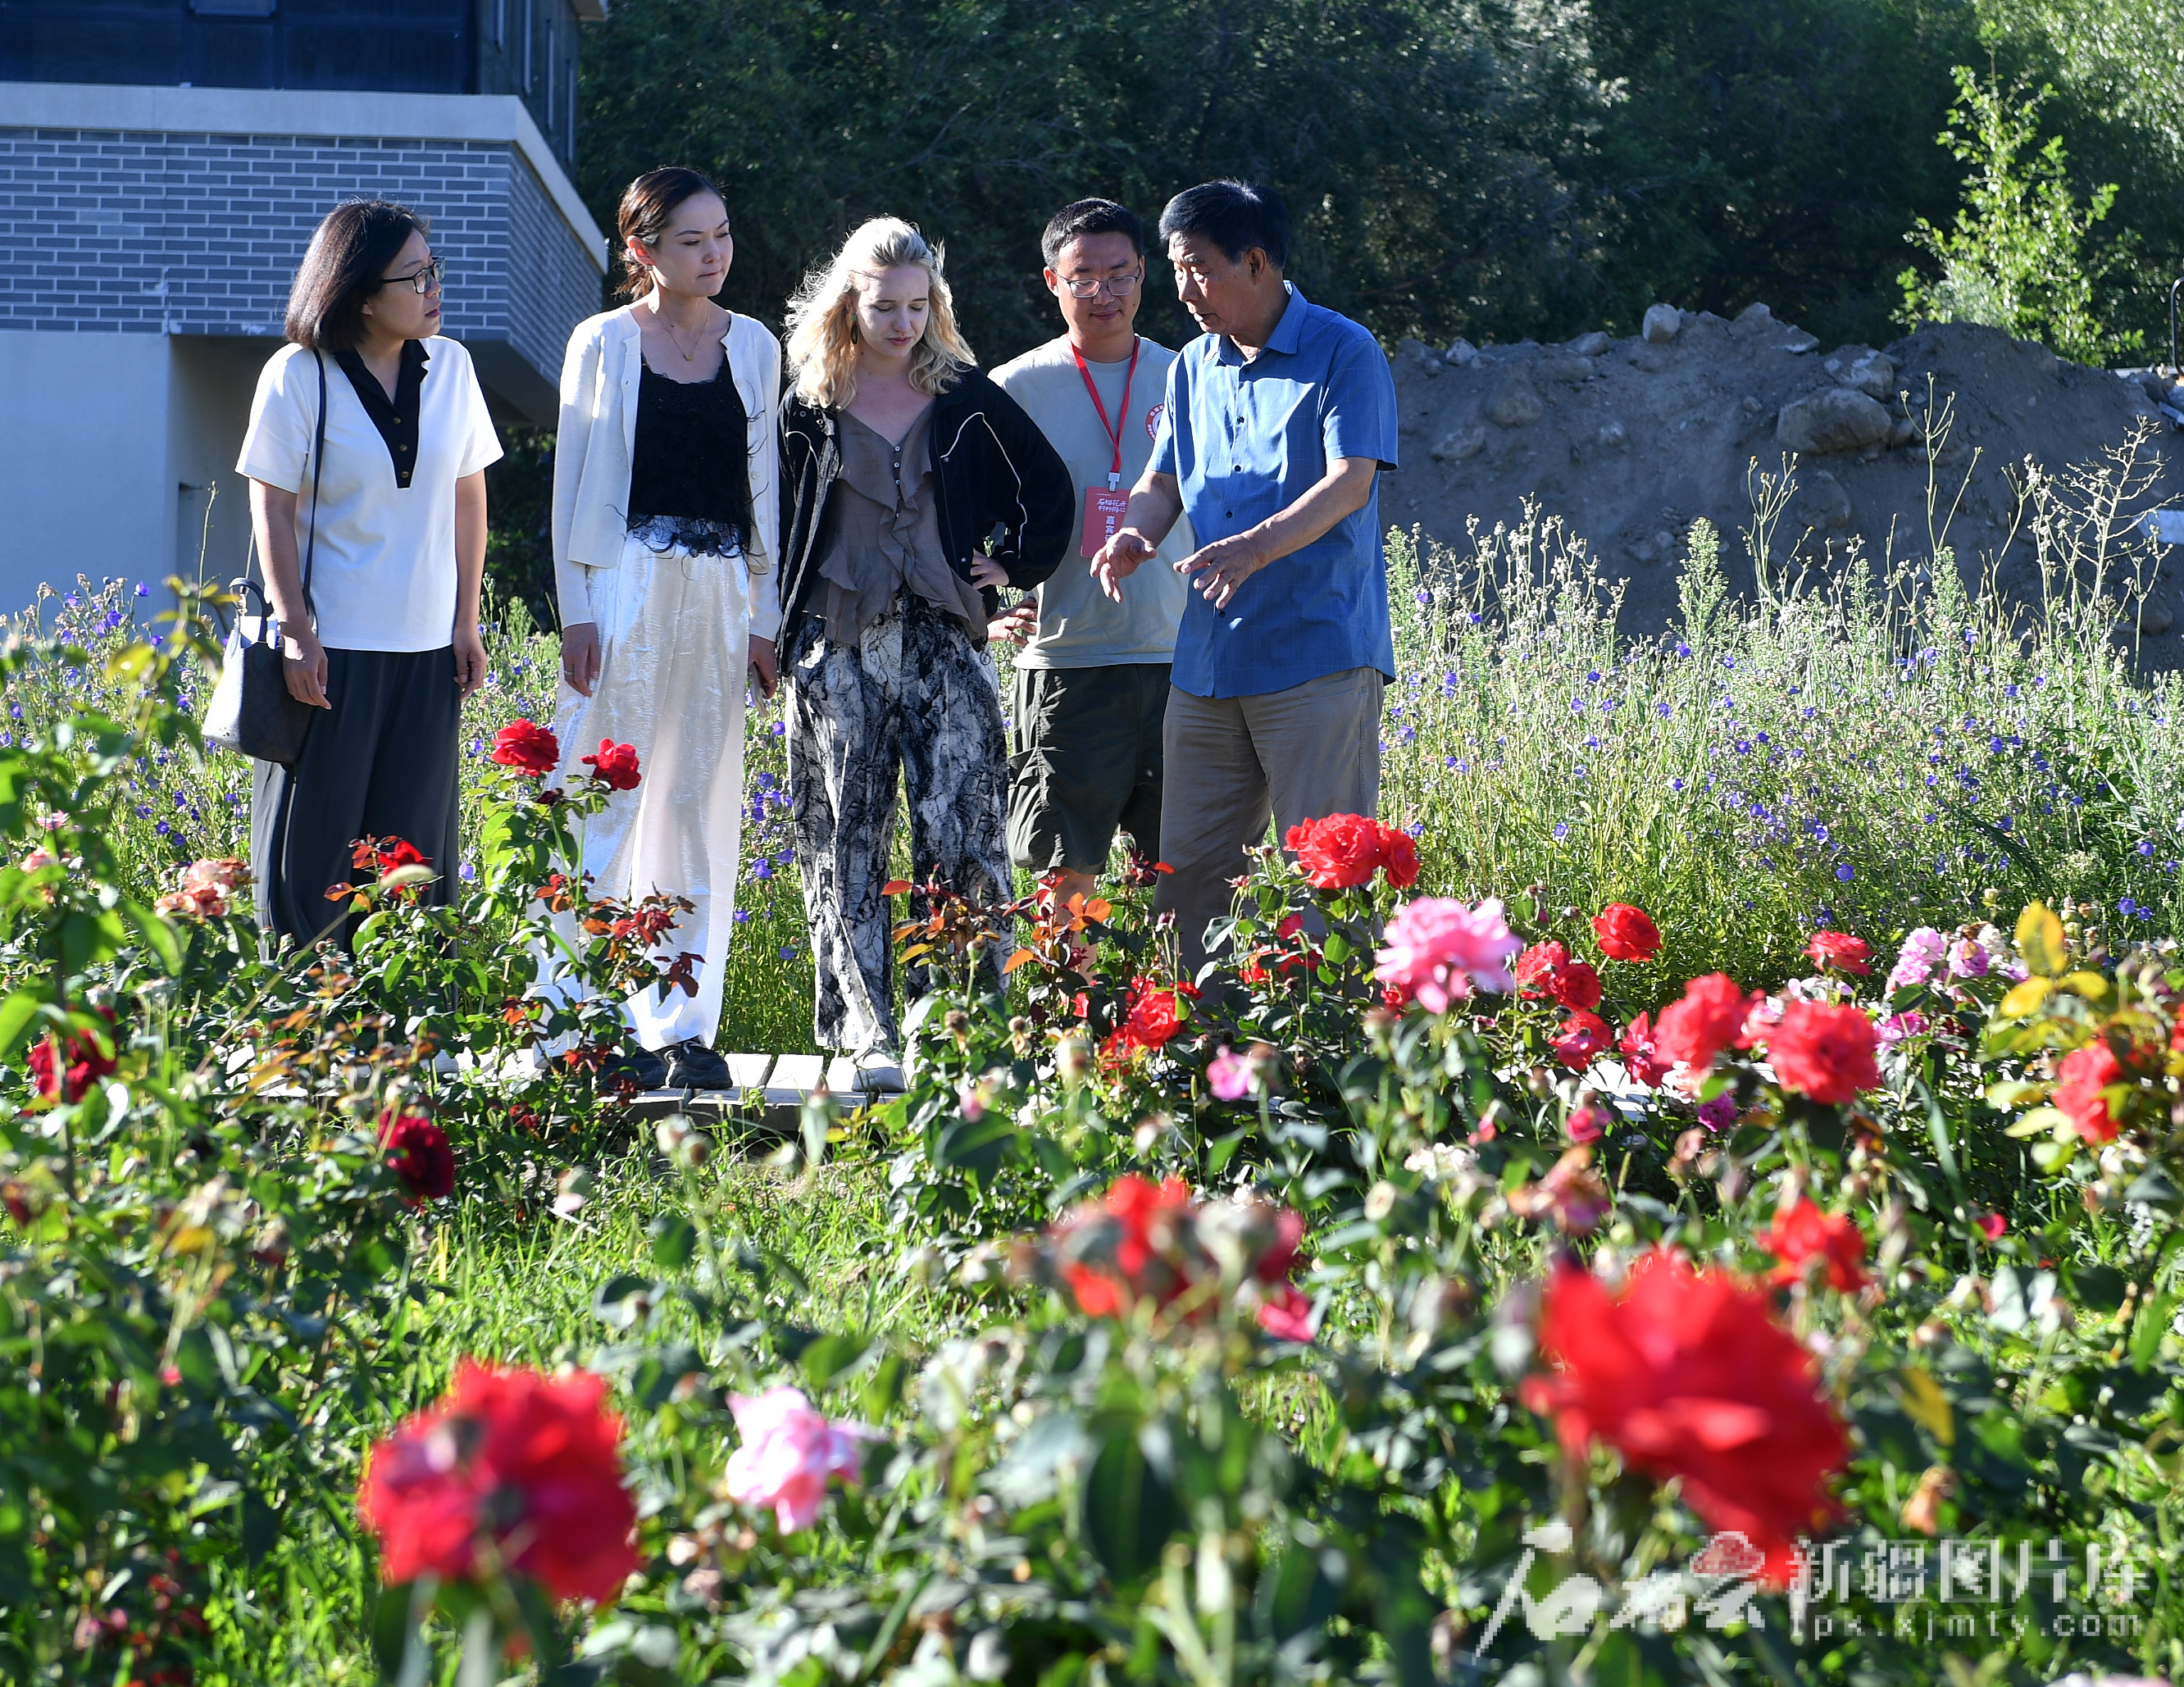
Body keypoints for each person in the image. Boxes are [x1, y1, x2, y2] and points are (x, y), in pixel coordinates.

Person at [777, 218, 1073, 1062]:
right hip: (836, 644)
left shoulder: (964, 394)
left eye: (918, 305)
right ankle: (862, 1035)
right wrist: (771, 632)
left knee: (965, 833)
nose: (903, 322)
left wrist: (1011, 566)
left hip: (946, 642)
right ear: (848, 304)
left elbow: (1049, 488)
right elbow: (773, 522)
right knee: (845, 840)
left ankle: (962, 1032)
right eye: (885, 307)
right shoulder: (807, 405)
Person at [1091, 180, 1399, 982]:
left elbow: (1350, 481)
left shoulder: (1344, 351)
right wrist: (1134, 532)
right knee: (1190, 876)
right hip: (1208, 664)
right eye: (1176, 270)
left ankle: (1337, 1044)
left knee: (1326, 874)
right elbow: (1162, 480)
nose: (1184, 291)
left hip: (1316, 657)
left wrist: (1257, 547)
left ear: (1256, 262)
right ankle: (1200, 1042)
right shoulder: (1193, 366)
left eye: (1199, 269)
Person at [546, 167, 782, 1090]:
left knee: (694, 805)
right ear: (641, 250)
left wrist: (764, 616)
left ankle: (679, 1026)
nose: (714, 253)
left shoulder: (755, 345)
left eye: (722, 234)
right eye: (691, 239)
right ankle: (573, 1024)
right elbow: (570, 482)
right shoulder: (602, 341)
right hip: (623, 585)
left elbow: (766, 492)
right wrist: (575, 610)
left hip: (721, 590)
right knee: (601, 799)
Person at [239, 199, 501, 948]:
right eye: (414, 277)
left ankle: (409, 1012)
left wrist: (466, 622)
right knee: (311, 858)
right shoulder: (298, 375)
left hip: (428, 653)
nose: (434, 287)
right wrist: (296, 632)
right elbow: (271, 509)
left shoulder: (453, 367)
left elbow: (469, 499)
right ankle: (301, 1012)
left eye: (433, 269)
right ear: (359, 294)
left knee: (414, 860)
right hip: (330, 655)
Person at [990, 198, 1192, 911]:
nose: (1104, 293)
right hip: (1065, 663)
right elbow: (958, 514)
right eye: (1083, 279)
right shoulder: (1012, 389)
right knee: (1063, 878)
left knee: (1185, 875)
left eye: (1120, 274)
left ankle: (1177, 992)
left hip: (1181, 660)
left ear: (1144, 274)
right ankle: (1064, 992)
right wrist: (984, 603)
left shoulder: (1190, 377)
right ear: (1053, 281)